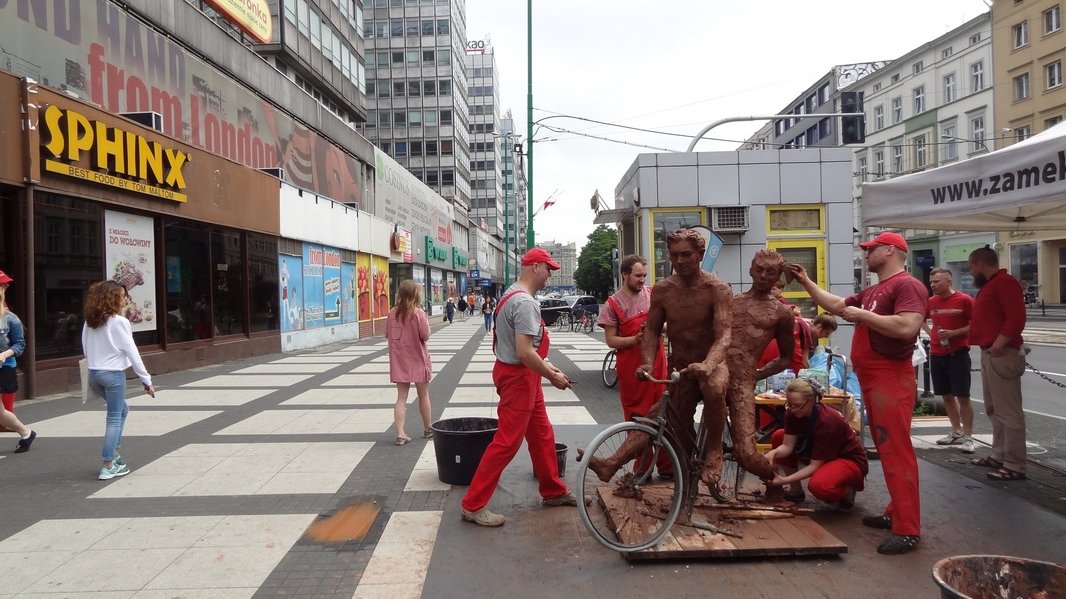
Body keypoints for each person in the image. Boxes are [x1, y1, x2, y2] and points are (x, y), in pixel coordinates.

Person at [787, 231, 926, 555]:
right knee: (889, 448)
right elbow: (836, 305)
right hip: (877, 379)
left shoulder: (907, 285)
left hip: (891, 377)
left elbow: (907, 326)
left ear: (891, 250)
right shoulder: (876, 289)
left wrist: (863, 316)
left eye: (871, 248)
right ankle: (898, 513)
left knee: (896, 451)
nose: (866, 253)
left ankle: (908, 528)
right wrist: (807, 282)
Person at [586, 229, 733, 487]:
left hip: (712, 364)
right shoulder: (664, 290)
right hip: (681, 368)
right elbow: (652, 330)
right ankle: (614, 463)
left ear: (700, 254)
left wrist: (710, 363)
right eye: (674, 256)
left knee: (714, 387)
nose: (679, 261)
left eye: (686, 254)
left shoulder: (717, 288)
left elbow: (724, 336)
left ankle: (714, 450)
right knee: (657, 416)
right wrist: (646, 361)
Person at [461, 248, 577, 527]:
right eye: (548, 269)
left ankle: (552, 490)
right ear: (534, 267)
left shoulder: (510, 294)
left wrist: (546, 368)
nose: (549, 275)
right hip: (519, 378)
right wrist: (551, 375)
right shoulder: (525, 303)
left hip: (522, 376)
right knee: (507, 443)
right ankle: (473, 505)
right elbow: (524, 352)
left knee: (541, 434)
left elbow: (524, 348)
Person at [719, 250, 797, 490]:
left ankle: (775, 483)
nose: (763, 276)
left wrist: (758, 374)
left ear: (777, 278)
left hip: (742, 381)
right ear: (751, 270)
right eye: (760, 270)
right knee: (660, 414)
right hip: (715, 371)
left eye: (770, 272)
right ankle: (612, 462)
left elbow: (786, 358)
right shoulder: (732, 301)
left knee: (746, 453)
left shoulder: (782, 313)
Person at [597, 254, 671, 478]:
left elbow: (665, 324)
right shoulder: (612, 305)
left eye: (644, 276)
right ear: (625, 274)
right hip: (631, 369)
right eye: (638, 276)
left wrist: (663, 328)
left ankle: (668, 467)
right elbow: (611, 340)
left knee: (663, 414)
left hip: (658, 365)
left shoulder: (653, 295)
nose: (642, 280)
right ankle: (643, 468)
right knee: (637, 417)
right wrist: (635, 339)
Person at [83, 280, 155, 480]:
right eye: (123, 296)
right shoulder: (120, 322)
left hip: (95, 373)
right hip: (113, 374)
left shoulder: (90, 321)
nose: (126, 299)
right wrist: (146, 380)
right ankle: (108, 463)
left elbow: (85, 348)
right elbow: (132, 352)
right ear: (113, 298)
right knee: (114, 418)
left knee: (122, 410)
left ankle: (114, 455)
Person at [967, 246, 1028, 481]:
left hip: (1001, 352)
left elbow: (1016, 318)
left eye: (971, 266)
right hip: (992, 351)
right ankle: (1000, 454)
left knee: (1008, 411)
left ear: (980, 264)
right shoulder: (992, 284)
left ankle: (1015, 463)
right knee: (995, 408)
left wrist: (999, 344)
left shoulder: (1003, 283)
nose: (971, 272)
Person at [764, 378, 867, 509]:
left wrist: (782, 480)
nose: (793, 409)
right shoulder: (791, 412)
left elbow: (814, 465)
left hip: (846, 458)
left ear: (811, 401)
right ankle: (796, 491)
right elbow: (787, 446)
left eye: (798, 405)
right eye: (789, 404)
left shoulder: (827, 421)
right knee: (779, 435)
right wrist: (772, 454)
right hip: (818, 450)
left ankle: (847, 490)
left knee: (819, 487)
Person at [923, 268, 976, 454]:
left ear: (948, 281)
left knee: (963, 396)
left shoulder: (964, 300)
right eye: (931, 282)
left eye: (936, 282)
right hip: (937, 354)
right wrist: (932, 336)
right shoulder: (931, 302)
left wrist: (955, 333)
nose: (933, 285)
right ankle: (956, 431)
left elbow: (976, 323)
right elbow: (923, 319)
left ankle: (969, 437)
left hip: (958, 353)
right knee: (946, 395)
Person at [387, 280, 433, 446]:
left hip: (399, 359)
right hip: (418, 358)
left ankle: (400, 434)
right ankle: (427, 428)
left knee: (401, 397)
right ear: (415, 294)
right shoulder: (418, 313)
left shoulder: (392, 313)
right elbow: (425, 335)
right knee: (424, 394)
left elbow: (388, 334)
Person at [0, 281, 36, 453]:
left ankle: (26, 432)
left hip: (3, 368)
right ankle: (26, 433)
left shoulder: (10, 319)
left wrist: (4, 355)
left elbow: (19, 345)